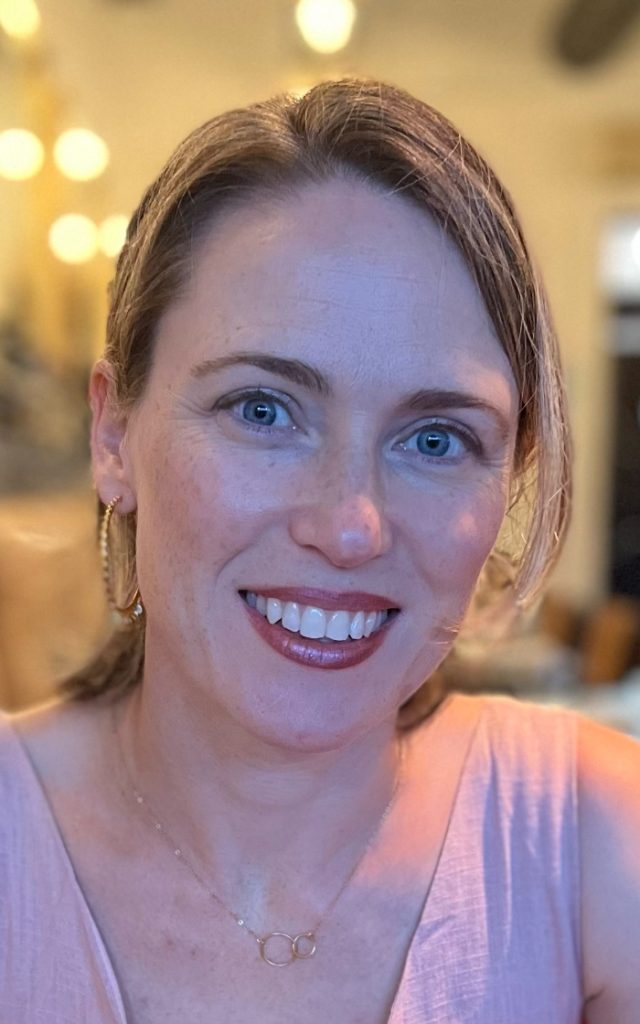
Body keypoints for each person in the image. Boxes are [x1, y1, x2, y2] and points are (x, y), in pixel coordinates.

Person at [1, 78, 638, 1024]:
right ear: (114, 436)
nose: (349, 527)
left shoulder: (598, 844)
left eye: (435, 439)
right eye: (263, 410)